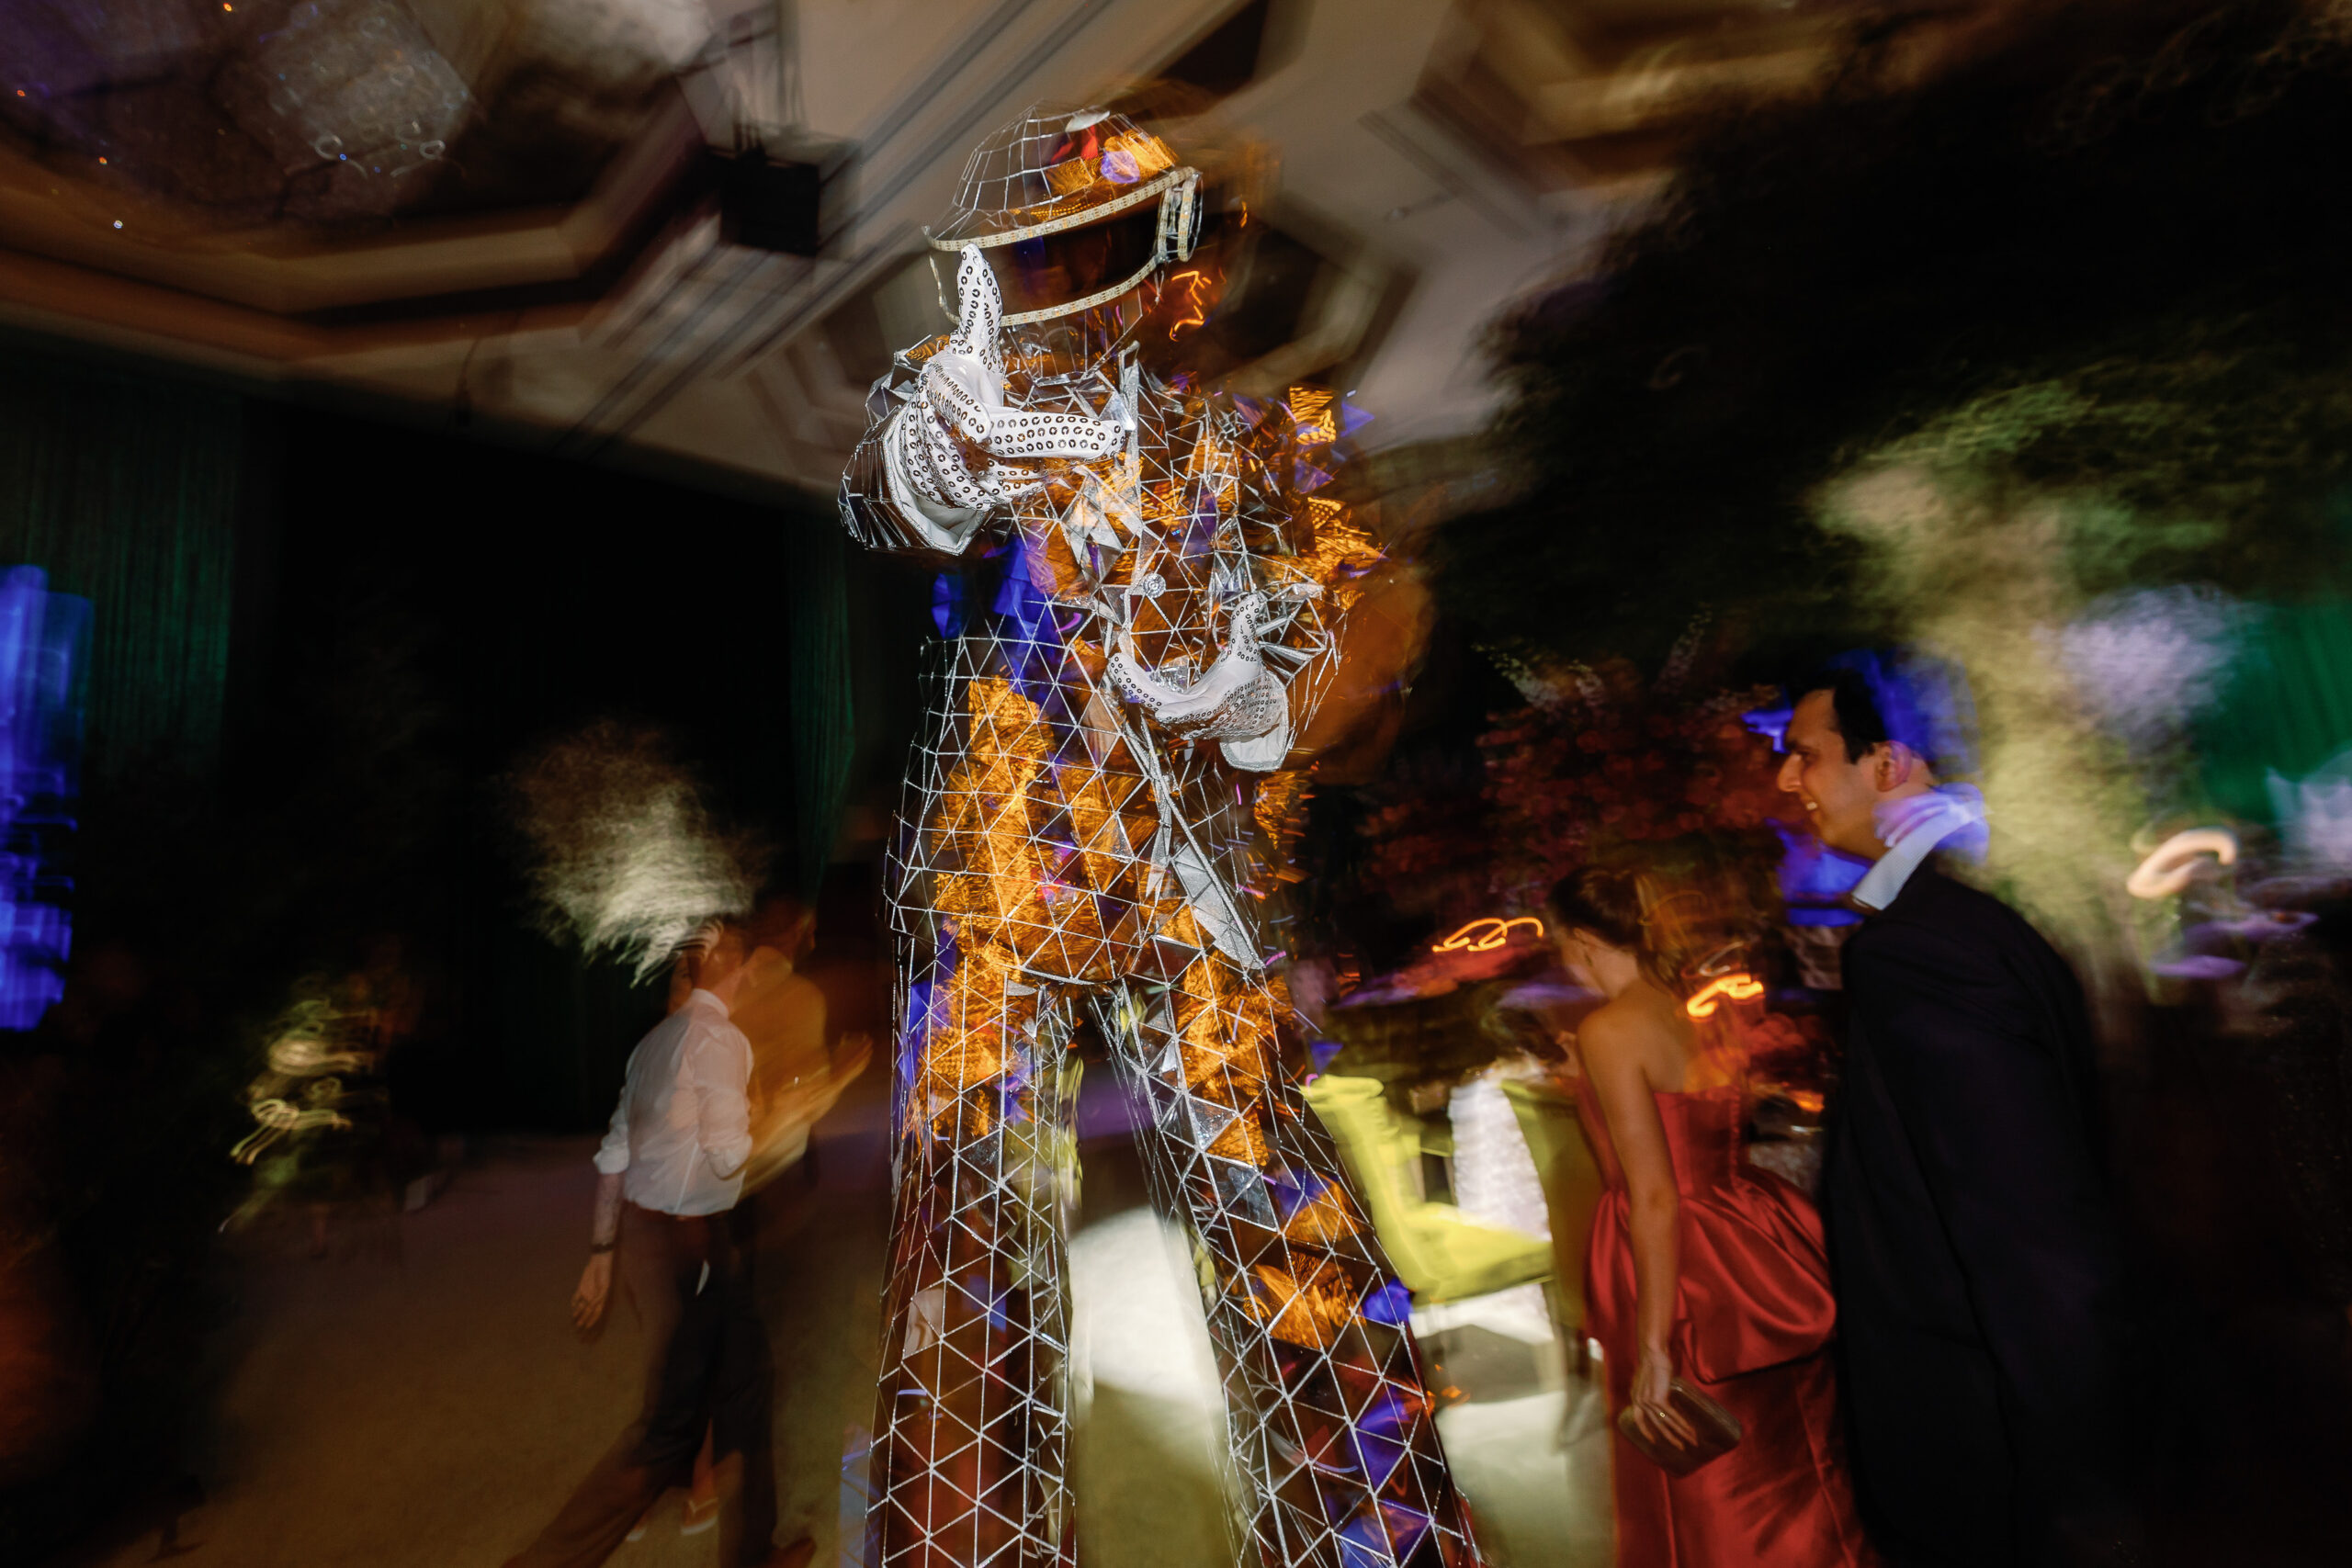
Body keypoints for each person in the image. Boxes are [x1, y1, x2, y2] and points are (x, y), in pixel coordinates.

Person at [832, 105, 1483, 1565]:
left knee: (1283, 1219)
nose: (1064, 280)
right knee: (962, 1232)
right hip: (1002, 884)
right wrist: (950, 432)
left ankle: (1377, 1543)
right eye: (1033, 255)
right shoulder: (985, 405)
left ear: (1169, 258)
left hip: (1198, 895)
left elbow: (1367, 627)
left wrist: (1251, 694)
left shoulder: (1263, 441)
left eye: (1093, 245)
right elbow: (890, 495)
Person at [1779, 666, 2139, 1566]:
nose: (1787, 782)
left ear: (1888, 762)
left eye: (1805, 756)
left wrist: (2077, 1492)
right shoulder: (1984, 903)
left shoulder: (1917, 949)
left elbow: (2024, 1231)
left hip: (1987, 1447)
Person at [1548, 862, 1875, 1568]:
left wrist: (1657, 1344)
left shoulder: (1611, 1027)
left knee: (1711, 1485)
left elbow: (1657, 1194)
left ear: (1582, 939)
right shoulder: (1697, 1002)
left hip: (1679, 1269)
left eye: (1560, 943)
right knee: (1794, 1460)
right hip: (1750, 1243)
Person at [503, 919, 812, 1568]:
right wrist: (788, 1113)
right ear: (730, 969)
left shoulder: (650, 1046)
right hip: (692, 1246)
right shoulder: (720, 1040)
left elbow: (613, 1153)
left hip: (666, 1237)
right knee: (664, 1434)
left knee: (750, 1378)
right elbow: (730, 1158)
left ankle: (752, 1551)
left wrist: (599, 1253)